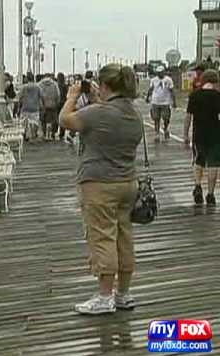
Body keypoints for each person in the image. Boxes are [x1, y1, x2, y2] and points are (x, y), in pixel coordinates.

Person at [59, 64, 142, 314]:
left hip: (99, 184)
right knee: (124, 238)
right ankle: (123, 294)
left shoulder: (96, 113)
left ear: (105, 85)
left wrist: (72, 96)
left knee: (103, 237)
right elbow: (106, 118)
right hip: (127, 183)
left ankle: (105, 297)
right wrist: (99, 99)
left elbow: (64, 120)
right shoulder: (133, 114)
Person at [184, 69, 220, 205]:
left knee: (198, 161)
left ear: (203, 80)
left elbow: (188, 117)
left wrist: (185, 134)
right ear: (215, 81)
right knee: (213, 164)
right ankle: (210, 194)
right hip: (216, 135)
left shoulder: (194, 95)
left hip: (198, 134)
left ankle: (198, 186)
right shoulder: (218, 96)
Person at [146, 65, 176, 142]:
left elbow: (172, 91)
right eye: (158, 73)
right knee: (156, 118)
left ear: (164, 72)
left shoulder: (168, 80)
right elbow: (151, 89)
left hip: (165, 102)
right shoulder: (153, 80)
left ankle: (165, 129)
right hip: (155, 102)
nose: (160, 74)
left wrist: (174, 101)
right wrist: (147, 97)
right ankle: (157, 134)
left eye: (161, 72)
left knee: (166, 118)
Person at [18, 72, 44, 140]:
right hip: (35, 107)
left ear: (27, 78)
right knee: (35, 121)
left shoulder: (24, 87)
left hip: (25, 107)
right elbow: (42, 96)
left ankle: (24, 135)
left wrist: (19, 106)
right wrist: (42, 105)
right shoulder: (37, 87)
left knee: (24, 123)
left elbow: (20, 97)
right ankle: (34, 133)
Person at [38, 74, 60, 140]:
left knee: (43, 121)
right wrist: (57, 103)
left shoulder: (40, 84)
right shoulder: (55, 84)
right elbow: (58, 95)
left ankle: (45, 134)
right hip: (53, 105)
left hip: (44, 106)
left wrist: (41, 104)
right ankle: (51, 134)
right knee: (52, 120)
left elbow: (39, 96)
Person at [56, 72, 69, 140]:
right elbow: (67, 95)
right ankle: (62, 133)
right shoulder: (65, 86)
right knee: (62, 118)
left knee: (56, 117)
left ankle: (54, 131)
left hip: (57, 103)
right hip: (63, 103)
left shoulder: (56, 85)